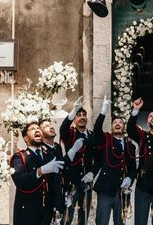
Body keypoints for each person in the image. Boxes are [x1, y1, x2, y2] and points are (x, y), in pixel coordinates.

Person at [93, 96, 137, 225]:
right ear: (112, 127)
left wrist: (130, 178)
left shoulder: (130, 145)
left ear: (124, 128)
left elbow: (133, 168)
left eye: (120, 123)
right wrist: (103, 111)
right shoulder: (105, 139)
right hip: (106, 189)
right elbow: (96, 131)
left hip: (122, 191)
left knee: (120, 222)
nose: (118, 124)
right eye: (115, 123)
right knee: (102, 221)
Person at [11, 122, 65, 225]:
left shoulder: (49, 155)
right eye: (32, 129)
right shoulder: (20, 157)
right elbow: (20, 180)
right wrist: (41, 171)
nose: (37, 130)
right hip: (27, 214)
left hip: (47, 213)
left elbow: (56, 184)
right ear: (26, 138)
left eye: (38, 128)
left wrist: (59, 207)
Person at [60, 96, 96, 225]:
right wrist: (73, 110)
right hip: (71, 180)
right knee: (68, 216)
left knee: (84, 216)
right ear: (74, 119)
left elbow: (98, 159)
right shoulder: (70, 133)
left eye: (84, 115)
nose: (82, 117)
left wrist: (92, 172)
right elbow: (63, 129)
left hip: (86, 180)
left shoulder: (92, 135)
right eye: (78, 115)